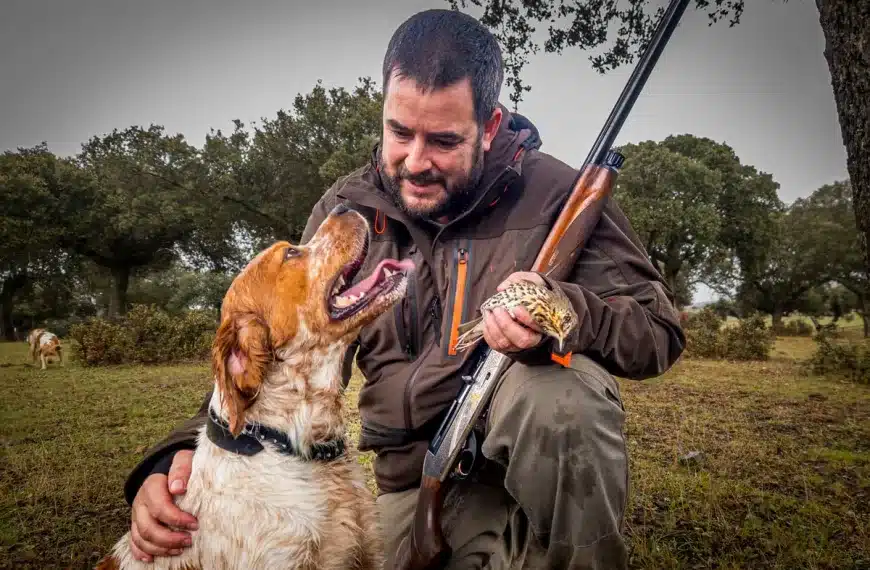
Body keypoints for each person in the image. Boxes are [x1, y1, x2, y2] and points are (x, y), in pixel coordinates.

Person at [121, 8, 685, 569]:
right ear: (384, 109)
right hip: (409, 490)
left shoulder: (560, 194)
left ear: (488, 127)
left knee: (563, 399)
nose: (415, 162)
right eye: (399, 132)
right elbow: (277, 351)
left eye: (442, 140)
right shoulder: (345, 211)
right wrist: (171, 457)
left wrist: (567, 312)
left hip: (515, 480)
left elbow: (658, 332)